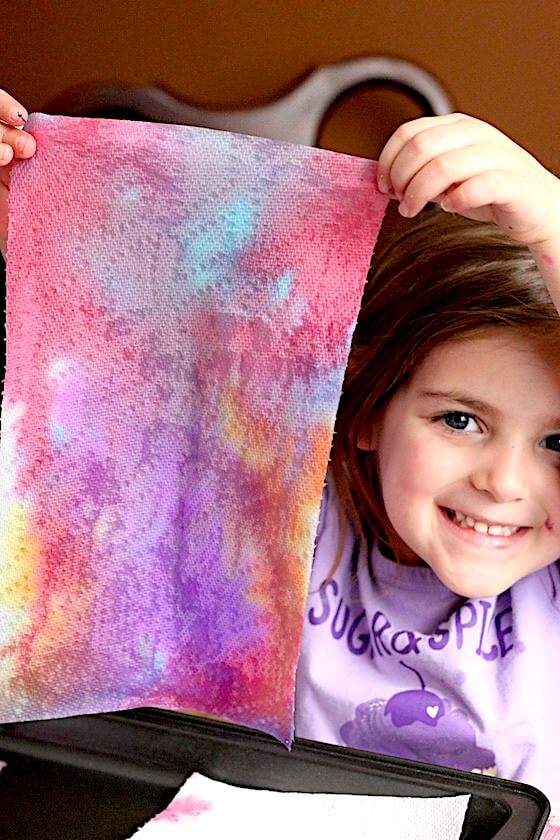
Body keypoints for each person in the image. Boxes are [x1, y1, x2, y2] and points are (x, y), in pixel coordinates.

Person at [2, 91, 560, 827]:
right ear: (367, 410)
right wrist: (41, 222)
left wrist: (554, 231)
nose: (504, 482)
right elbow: (115, 370)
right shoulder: (270, 514)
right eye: (459, 420)